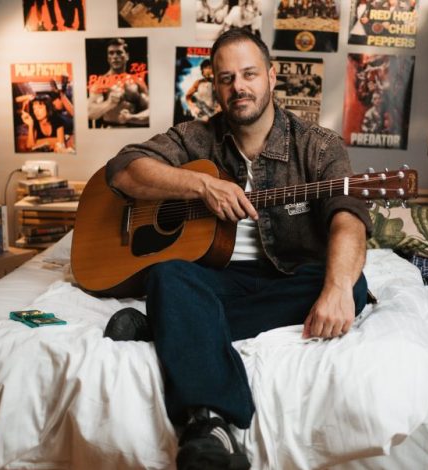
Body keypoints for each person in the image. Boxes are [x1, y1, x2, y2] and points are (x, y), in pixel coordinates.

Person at [103, 28, 371, 469]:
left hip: (287, 277)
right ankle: (210, 425)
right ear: (214, 84)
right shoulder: (195, 138)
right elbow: (122, 170)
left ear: (272, 75)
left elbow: (348, 216)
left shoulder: (318, 144)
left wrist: (338, 287)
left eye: (249, 74)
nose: (238, 87)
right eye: (226, 78)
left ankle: (163, 326)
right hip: (214, 277)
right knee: (167, 274)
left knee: (352, 286)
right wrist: (199, 184)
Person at [87, 38, 150, 128]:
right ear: (108, 58)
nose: (115, 56)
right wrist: (109, 103)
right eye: (111, 53)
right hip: (109, 131)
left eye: (119, 52)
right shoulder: (100, 82)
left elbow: (151, 112)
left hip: (135, 131)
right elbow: (90, 113)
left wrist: (131, 118)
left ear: (127, 56)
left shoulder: (138, 82)